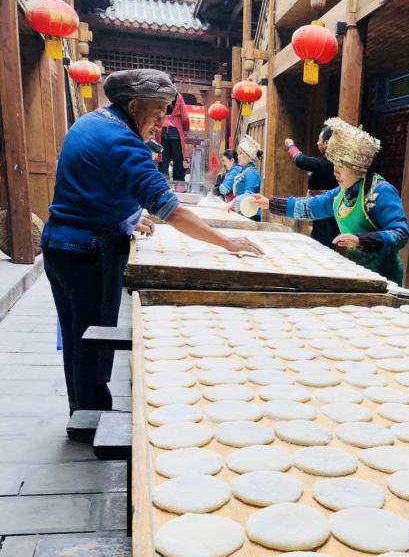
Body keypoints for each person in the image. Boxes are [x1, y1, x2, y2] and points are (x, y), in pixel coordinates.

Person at [40, 68, 261, 426]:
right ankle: (92, 420)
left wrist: (126, 217)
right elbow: (170, 210)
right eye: (158, 111)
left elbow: (91, 188)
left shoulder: (93, 122)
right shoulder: (122, 140)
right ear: (133, 105)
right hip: (86, 252)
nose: (162, 121)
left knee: (77, 334)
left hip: (60, 244)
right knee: (92, 339)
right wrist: (227, 241)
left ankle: (80, 411)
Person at [254, 118, 408, 285]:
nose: (335, 173)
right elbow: (311, 206)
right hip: (358, 271)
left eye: (339, 168)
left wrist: (361, 240)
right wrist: (270, 204)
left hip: (385, 277)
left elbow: (400, 233)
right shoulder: (342, 192)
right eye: (334, 167)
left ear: (356, 168)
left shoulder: (381, 191)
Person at [284, 127, 339, 248]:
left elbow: (300, 160)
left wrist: (291, 146)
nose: (317, 142)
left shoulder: (329, 164)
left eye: (320, 139)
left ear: (327, 143)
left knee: (323, 245)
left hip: (326, 214)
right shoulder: (328, 163)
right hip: (320, 209)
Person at [157, 83, 189, 182]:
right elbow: (185, 118)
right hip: (175, 132)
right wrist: (185, 130)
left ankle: (162, 181)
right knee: (178, 159)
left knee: (163, 158)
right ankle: (179, 182)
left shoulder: (160, 96)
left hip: (161, 131)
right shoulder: (178, 96)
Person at [227, 135, 262, 220]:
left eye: (241, 154)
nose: (238, 157)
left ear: (248, 157)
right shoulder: (243, 171)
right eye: (238, 154)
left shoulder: (252, 173)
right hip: (242, 213)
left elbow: (249, 195)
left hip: (251, 215)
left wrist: (233, 202)